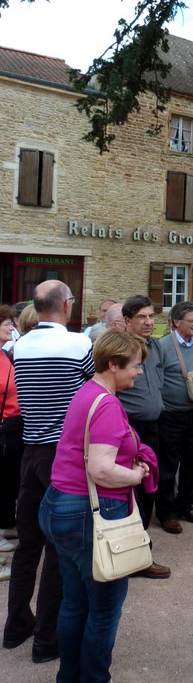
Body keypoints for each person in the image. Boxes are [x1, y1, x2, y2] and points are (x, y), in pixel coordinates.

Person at [39, 330, 157, 683]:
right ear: (113, 364)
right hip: (89, 511)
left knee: (75, 602)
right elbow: (103, 469)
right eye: (136, 365)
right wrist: (137, 476)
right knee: (103, 608)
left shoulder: (86, 392)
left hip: (61, 504)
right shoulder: (106, 404)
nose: (140, 372)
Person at [3, 281, 94, 663]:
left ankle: (15, 625)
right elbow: (92, 393)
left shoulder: (17, 346)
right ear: (66, 307)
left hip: (31, 449)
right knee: (59, 547)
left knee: (28, 544)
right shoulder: (79, 345)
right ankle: (46, 639)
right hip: (64, 453)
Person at [117, 295, 169, 580]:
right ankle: (135, 556)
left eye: (151, 316)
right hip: (128, 428)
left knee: (149, 488)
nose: (149, 322)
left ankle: (139, 551)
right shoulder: (119, 348)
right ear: (127, 320)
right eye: (142, 317)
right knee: (130, 492)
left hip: (153, 427)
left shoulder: (156, 346)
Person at [155, 302, 193, 534]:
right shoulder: (163, 346)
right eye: (192, 321)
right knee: (167, 467)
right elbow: (157, 382)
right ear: (176, 322)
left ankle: (186, 505)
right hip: (170, 416)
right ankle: (166, 513)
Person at [0, 307, 22, 561]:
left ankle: (4, 526)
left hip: (11, 426)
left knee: (6, 482)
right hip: (4, 424)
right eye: (7, 323)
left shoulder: (5, 354)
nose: (12, 327)